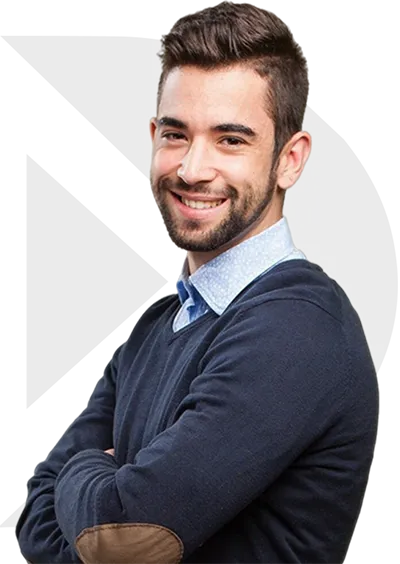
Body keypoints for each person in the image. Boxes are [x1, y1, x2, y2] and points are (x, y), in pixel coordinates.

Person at [15, 2, 377, 563]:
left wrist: (81, 471)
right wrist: (102, 492)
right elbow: (33, 528)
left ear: (290, 159)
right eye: (176, 134)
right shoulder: (156, 325)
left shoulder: (299, 329)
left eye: (230, 140)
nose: (191, 169)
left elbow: (121, 539)